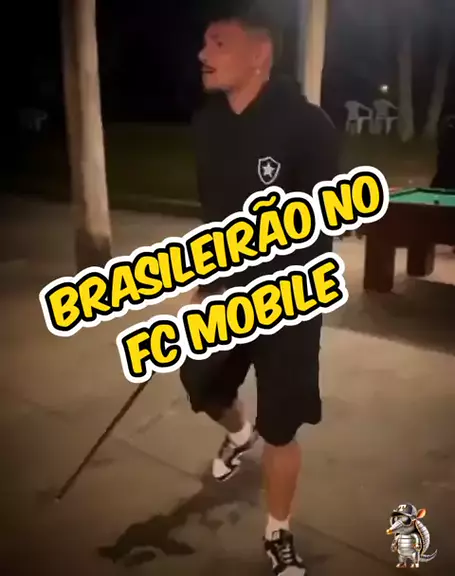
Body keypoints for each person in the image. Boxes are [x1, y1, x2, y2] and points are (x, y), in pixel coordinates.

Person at [180, 5, 340, 574]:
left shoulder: (308, 127)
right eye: (205, 43)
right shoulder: (207, 125)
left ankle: (278, 532)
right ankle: (239, 433)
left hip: (289, 300)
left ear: (259, 55)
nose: (203, 54)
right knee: (201, 384)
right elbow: (213, 215)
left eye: (218, 43)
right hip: (225, 291)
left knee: (283, 425)